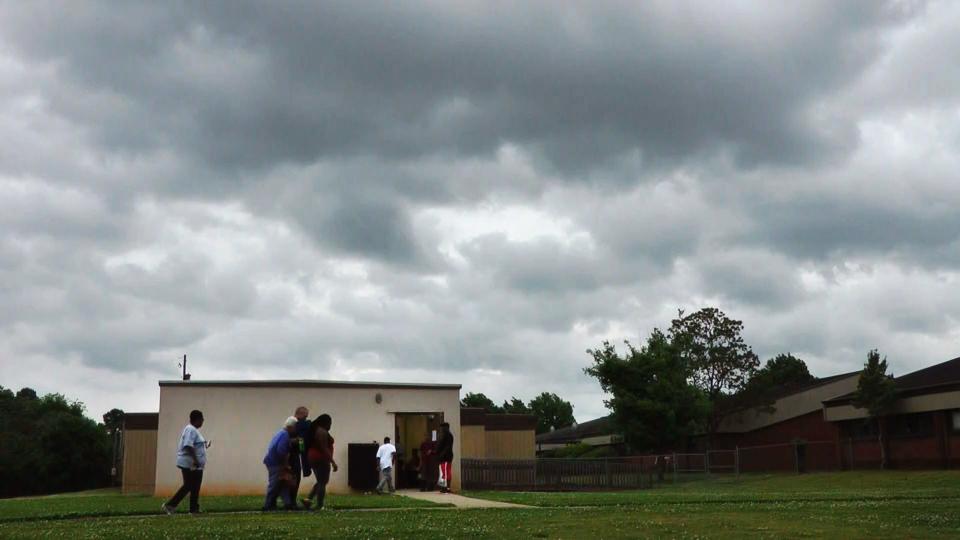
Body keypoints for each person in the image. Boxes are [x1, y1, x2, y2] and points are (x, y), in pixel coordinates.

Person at [163, 410, 208, 515]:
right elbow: (188, 445)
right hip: (190, 463)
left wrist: (204, 446)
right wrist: (196, 460)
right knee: (189, 485)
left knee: (194, 486)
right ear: (197, 419)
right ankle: (170, 505)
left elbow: (195, 445)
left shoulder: (193, 430)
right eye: (202, 419)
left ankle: (193, 509)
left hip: (195, 464)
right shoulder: (190, 429)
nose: (203, 421)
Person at [301, 414, 338, 510]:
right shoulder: (321, 432)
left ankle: (308, 499)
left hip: (313, 457)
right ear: (325, 423)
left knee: (321, 481)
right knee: (322, 482)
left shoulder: (316, 430)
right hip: (320, 458)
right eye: (330, 423)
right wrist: (332, 461)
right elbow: (324, 448)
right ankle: (319, 504)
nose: (330, 425)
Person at [262, 416, 299, 511]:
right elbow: (281, 451)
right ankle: (268, 505)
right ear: (291, 427)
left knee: (282, 484)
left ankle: (288, 503)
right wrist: (286, 465)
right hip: (275, 463)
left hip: (271, 461)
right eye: (295, 427)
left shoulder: (280, 433)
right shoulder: (285, 435)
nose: (296, 430)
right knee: (274, 484)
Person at [287, 406, 311, 505]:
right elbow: (291, 441)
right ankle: (290, 502)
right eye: (304, 417)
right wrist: (300, 441)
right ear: (299, 414)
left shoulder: (296, 425)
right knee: (294, 478)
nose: (305, 419)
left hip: (295, 455)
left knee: (296, 478)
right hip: (291, 456)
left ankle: (291, 501)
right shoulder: (292, 424)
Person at [436, 422, 454, 494]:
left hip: (446, 457)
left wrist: (442, 454)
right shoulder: (443, 435)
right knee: (443, 472)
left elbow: (447, 447)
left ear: (446, 428)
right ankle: (443, 487)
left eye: (443, 428)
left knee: (446, 473)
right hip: (442, 457)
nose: (441, 429)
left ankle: (446, 488)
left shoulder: (448, 435)